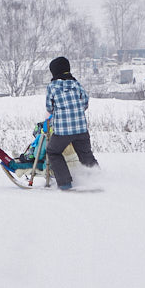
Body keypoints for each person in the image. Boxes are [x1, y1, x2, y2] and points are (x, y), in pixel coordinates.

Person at [44, 56, 99, 190]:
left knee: (53, 152)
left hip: (62, 131)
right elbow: (85, 102)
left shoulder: (52, 87)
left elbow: (49, 108)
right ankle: (98, 178)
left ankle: (64, 183)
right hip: (81, 129)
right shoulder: (76, 84)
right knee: (86, 154)